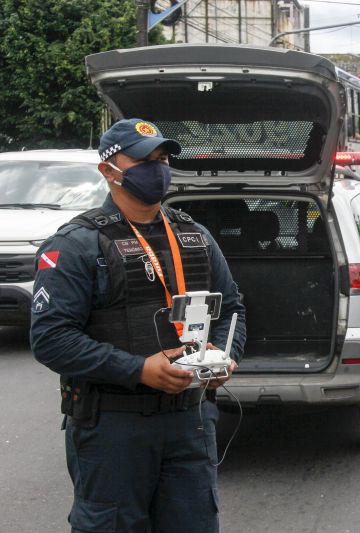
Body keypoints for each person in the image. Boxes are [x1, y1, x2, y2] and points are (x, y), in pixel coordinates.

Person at [30, 118, 246, 532]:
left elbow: (233, 307)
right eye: (145, 160)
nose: (158, 168)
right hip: (114, 428)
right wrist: (139, 370)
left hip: (190, 421)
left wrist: (223, 355)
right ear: (108, 170)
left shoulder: (194, 235)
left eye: (163, 159)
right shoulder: (77, 244)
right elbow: (51, 339)